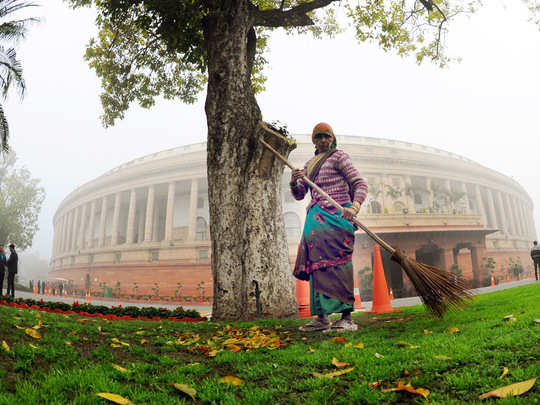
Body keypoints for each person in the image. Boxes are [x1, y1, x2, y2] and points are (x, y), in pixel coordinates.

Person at [290, 122, 368, 332]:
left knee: (339, 265)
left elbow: (361, 184)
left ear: (333, 139)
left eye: (327, 136)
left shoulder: (339, 157)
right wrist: (294, 181)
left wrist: (354, 207)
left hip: (338, 216)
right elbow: (299, 195)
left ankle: (346, 317)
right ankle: (321, 318)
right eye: (319, 137)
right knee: (318, 267)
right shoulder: (309, 165)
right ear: (314, 140)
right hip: (315, 221)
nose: (324, 140)